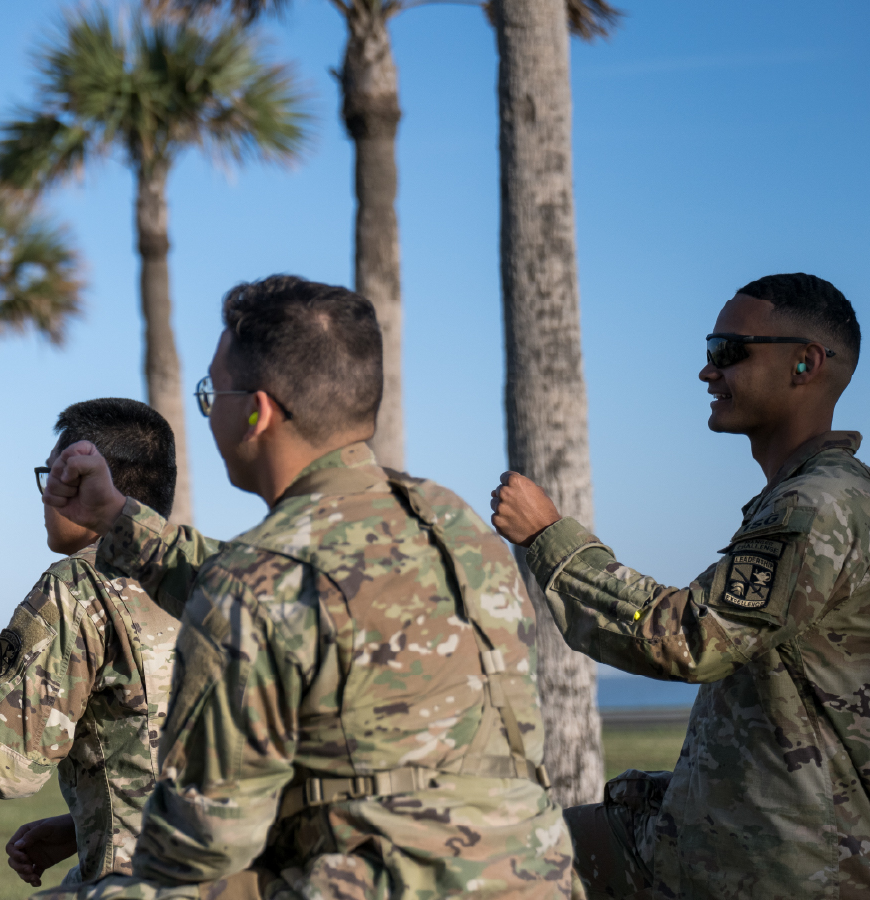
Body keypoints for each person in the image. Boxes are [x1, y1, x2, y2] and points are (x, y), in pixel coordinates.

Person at [41, 275, 573, 899]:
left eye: (212, 392)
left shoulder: (260, 579)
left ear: (257, 413)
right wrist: (115, 514)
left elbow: (199, 845)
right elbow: (277, 579)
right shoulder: (449, 521)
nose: (207, 411)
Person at [490, 272, 870, 899]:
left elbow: (693, 638)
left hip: (784, 869)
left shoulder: (819, 505)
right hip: (728, 841)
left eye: (729, 352)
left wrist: (549, 538)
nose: (707, 372)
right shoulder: (806, 498)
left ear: (806, 363)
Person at [0, 398, 182, 888]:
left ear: (84, 481)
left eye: (51, 477)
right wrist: (83, 826)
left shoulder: (81, 584)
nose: (43, 497)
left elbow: (7, 763)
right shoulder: (202, 577)